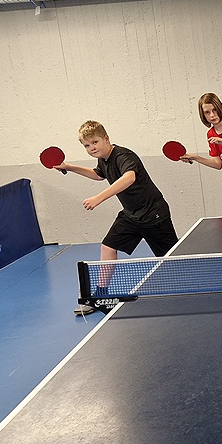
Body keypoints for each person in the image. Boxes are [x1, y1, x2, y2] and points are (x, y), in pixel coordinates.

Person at [55, 120, 180, 313]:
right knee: (108, 246)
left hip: (153, 214)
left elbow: (129, 178)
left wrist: (98, 198)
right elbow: (98, 174)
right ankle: (100, 295)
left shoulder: (123, 155)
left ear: (106, 138)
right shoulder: (103, 159)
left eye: (95, 142)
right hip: (131, 215)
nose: (91, 148)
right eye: (87, 145)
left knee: (172, 259)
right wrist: (69, 167)